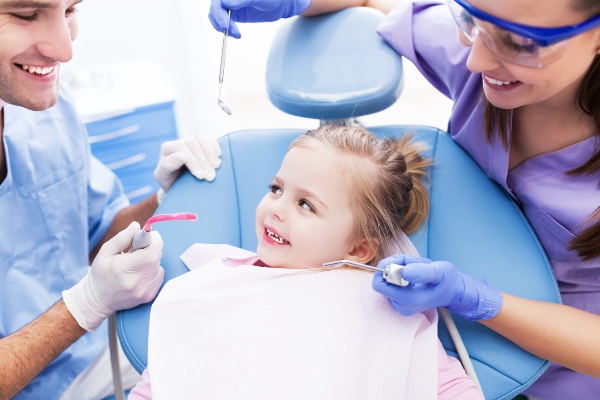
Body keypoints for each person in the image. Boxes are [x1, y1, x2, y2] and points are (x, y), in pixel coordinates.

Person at [208, 0, 600, 399]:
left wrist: (477, 298)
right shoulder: (478, 50)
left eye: (517, 43)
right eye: (471, 22)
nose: (475, 61)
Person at [128, 125, 482, 400]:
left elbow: (446, 385)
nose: (276, 209)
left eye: (306, 205)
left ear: (359, 250)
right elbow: (167, 375)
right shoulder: (213, 287)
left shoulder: (380, 306)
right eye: (277, 188)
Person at [0, 0, 221, 399]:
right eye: (26, 14)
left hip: (95, 354)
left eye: (69, 10)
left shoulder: (42, 106)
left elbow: (96, 235)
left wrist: (161, 198)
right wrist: (84, 305)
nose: (65, 49)